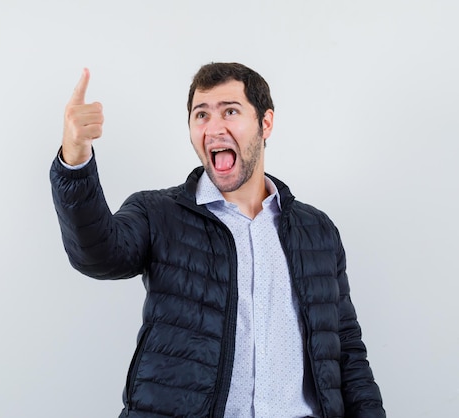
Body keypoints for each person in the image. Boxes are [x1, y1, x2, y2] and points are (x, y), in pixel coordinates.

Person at [50, 62, 385, 418]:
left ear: (265, 123)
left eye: (230, 111)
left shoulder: (316, 231)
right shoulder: (159, 213)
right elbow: (98, 254)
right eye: (201, 115)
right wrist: (75, 158)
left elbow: (345, 347)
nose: (214, 128)